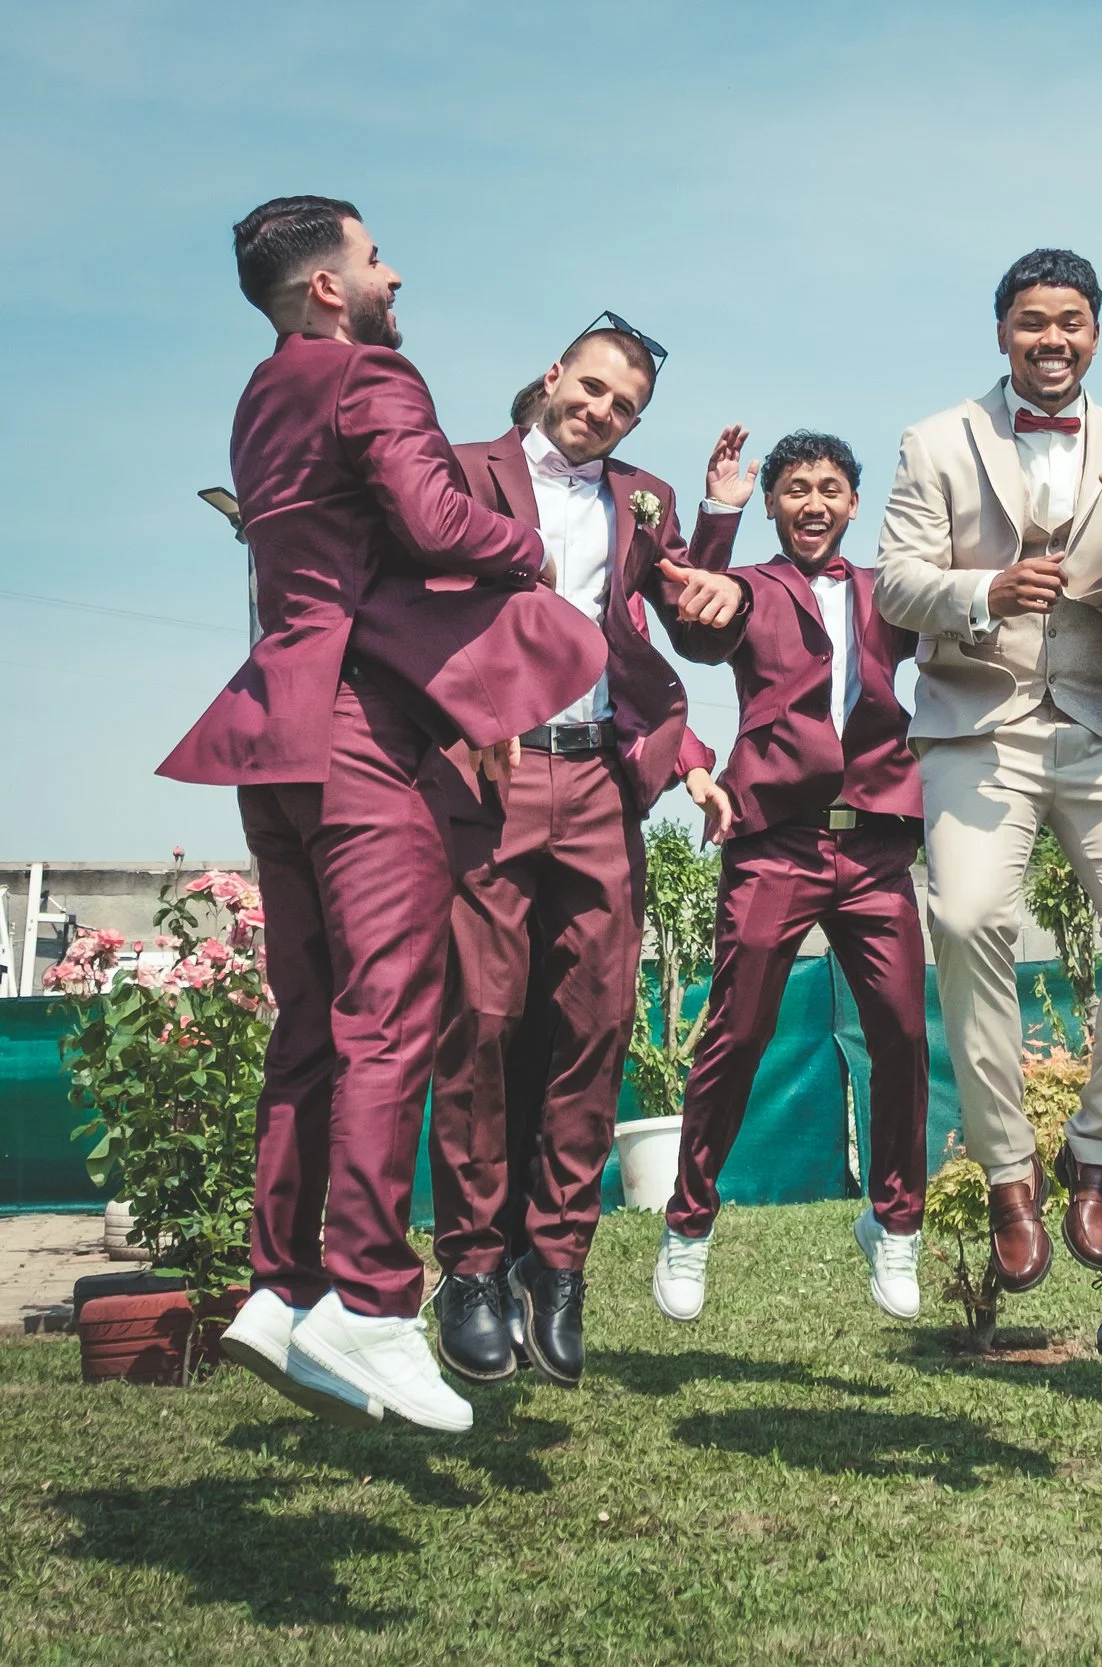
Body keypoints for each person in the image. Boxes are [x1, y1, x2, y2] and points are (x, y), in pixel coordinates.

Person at [161, 196, 605, 1432]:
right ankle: (367, 1295)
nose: (393, 274)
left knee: (309, 1021)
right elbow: (429, 517)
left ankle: (277, 1282)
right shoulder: (372, 375)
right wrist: (524, 550)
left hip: (271, 729)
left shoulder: (261, 396)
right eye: (373, 258)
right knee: (388, 1012)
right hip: (361, 727)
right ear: (325, 289)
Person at [874, 249, 1102, 1295]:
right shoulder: (936, 440)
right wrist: (982, 591)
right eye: (1031, 322)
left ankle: (1096, 1155)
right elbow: (895, 584)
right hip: (981, 723)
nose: (1051, 339)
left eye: (1070, 321)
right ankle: (1011, 1170)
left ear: (1096, 334)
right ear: (1002, 333)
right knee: (970, 918)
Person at [420, 319, 747, 1390]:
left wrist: (720, 528)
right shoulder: (461, 472)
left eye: (623, 404)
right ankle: (469, 1268)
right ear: (554, 374)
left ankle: (555, 1262)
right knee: (479, 1019)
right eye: (592, 387)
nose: (601, 410)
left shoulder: (641, 498)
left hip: (601, 780)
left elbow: (692, 633)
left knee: (596, 1022)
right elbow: (419, 611)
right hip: (488, 778)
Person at [651, 431, 929, 1325]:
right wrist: (719, 519)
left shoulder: (889, 591)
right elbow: (694, 621)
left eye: (832, 489)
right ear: (775, 505)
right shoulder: (754, 588)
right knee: (738, 1031)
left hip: (878, 842)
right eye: (797, 489)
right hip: (776, 841)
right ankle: (689, 1222)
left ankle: (895, 1220)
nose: (814, 503)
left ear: (855, 503)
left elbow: (967, 611)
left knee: (900, 1032)